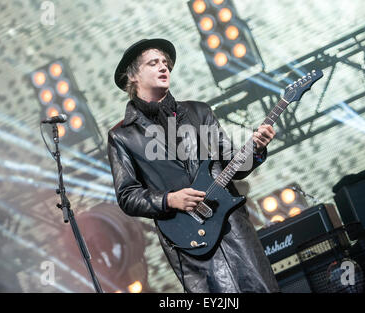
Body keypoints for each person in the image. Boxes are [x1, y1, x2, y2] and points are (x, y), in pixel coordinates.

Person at [108, 38, 279, 292]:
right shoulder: (122, 136)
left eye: (165, 63)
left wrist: (256, 148)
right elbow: (127, 196)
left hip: (231, 226)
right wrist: (169, 199)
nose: (163, 67)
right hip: (187, 238)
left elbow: (234, 164)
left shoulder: (199, 112)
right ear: (133, 76)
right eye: (153, 63)